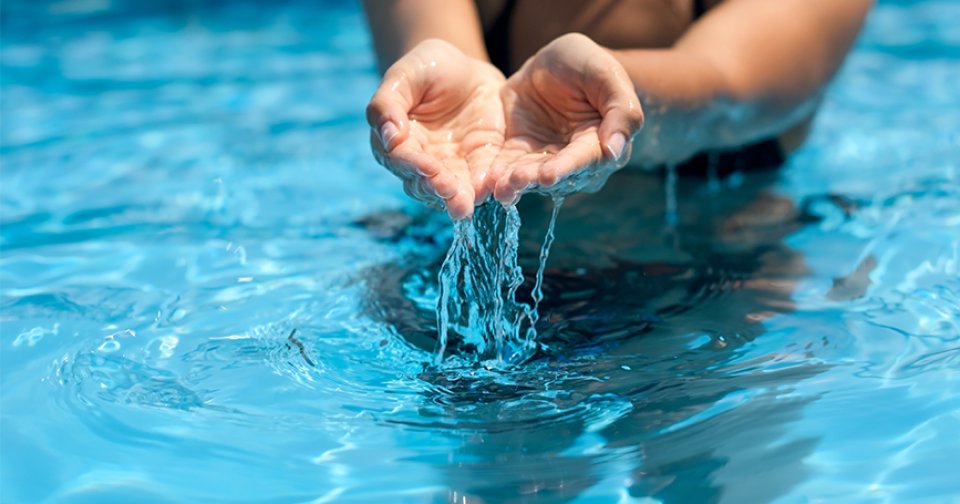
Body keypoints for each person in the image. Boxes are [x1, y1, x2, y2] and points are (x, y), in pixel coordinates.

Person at [362, 0, 872, 219]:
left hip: (727, 268)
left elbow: (725, 97)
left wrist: (610, 96)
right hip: (494, 276)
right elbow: (437, 56)